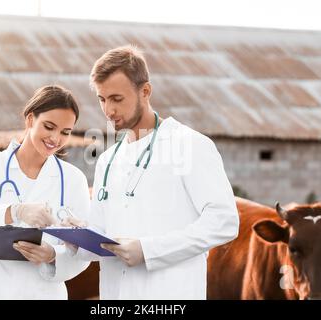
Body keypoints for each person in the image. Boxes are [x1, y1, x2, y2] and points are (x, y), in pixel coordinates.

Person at [66, 45, 240, 299]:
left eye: (117, 99)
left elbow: (224, 222)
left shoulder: (189, 145)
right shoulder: (107, 161)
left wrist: (149, 250)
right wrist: (78, 237)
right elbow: (102, 240)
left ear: (145, 91)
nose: (108, 111)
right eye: (102, 99)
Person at [0, 85, 90, 299]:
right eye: (49, 127)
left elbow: (83, 253)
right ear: (30, 120)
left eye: (65, 132)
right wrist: (13, 211)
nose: (55, 138)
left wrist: (53, 256)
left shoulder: (73, 179)